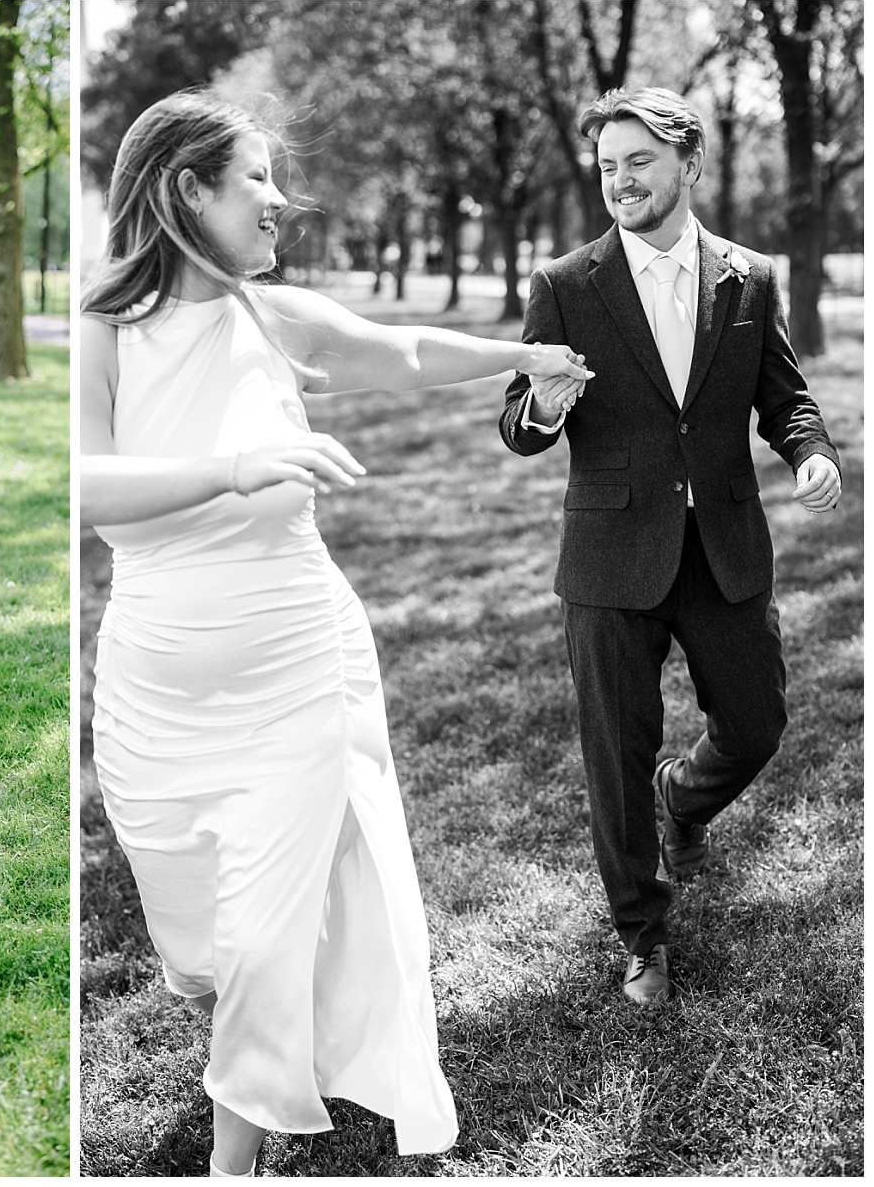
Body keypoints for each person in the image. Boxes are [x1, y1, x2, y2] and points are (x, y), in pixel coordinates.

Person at [81, 90, 594, 1175]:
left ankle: (238, 1153)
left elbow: (400, 351)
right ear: (186, 190)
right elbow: (89, 489)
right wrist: (232, 468)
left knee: (266, 932)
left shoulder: (273, 317)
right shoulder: (107, 328)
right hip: (154, 689)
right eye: (255, 177)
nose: (282, 200)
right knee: (199, 936)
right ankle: (259, 1035)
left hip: (297, 663)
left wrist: (523, 357)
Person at [499, 87, 841, 1007]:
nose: (621, 180)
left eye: (639, 161)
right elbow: (520, 428)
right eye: (608, 165)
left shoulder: (751, 276)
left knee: (759, 722)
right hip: (610, 555)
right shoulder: (566, 286)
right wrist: (543, 406)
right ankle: (642, 934)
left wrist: (811, 453)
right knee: (615, 753)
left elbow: (785, 396)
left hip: (722, 542)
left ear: (688, 164)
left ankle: (683, 799)